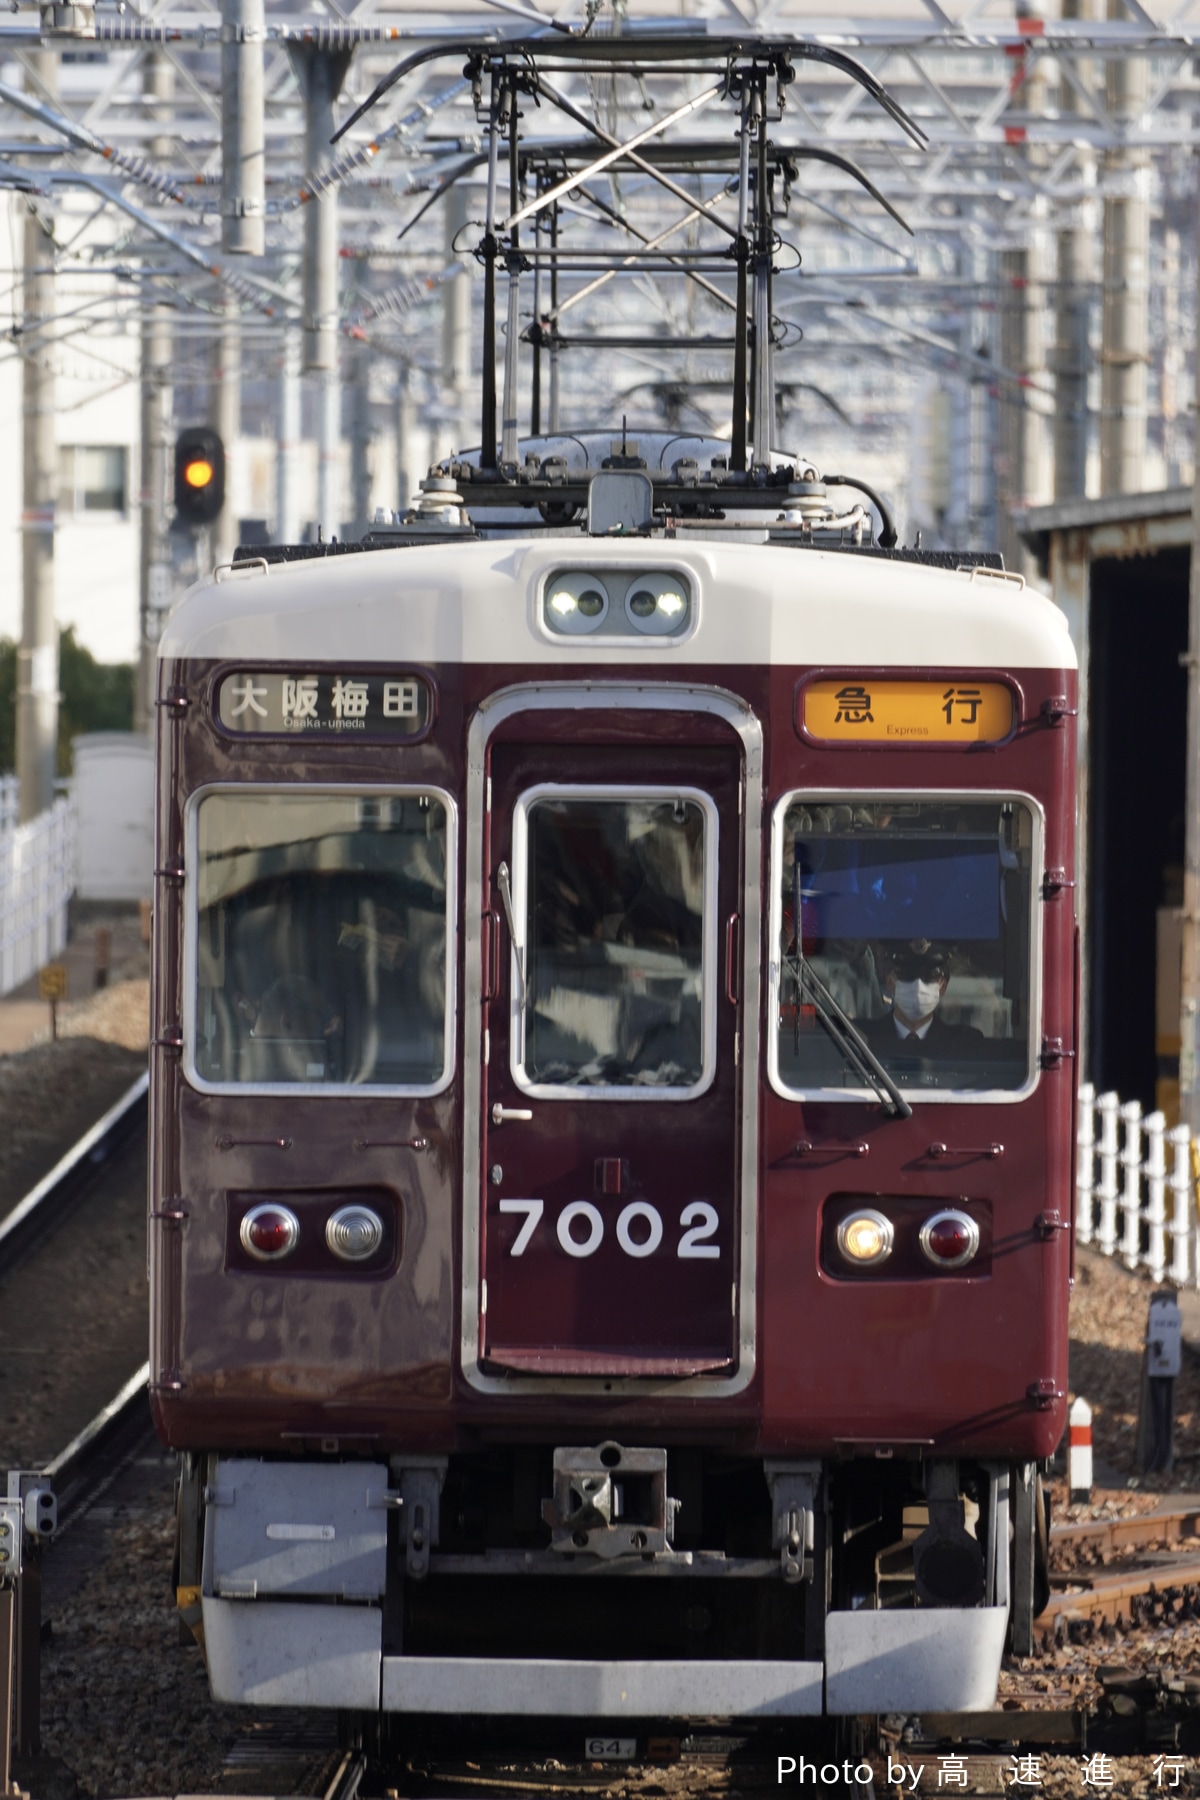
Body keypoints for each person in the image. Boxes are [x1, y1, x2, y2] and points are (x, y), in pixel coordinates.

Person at [864, 940, 986, 1066]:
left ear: (943, 985)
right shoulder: (861, 1039)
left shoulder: (965, 1045)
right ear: (890, 982)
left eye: (930, 976)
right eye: (908, 975)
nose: (918, 985)